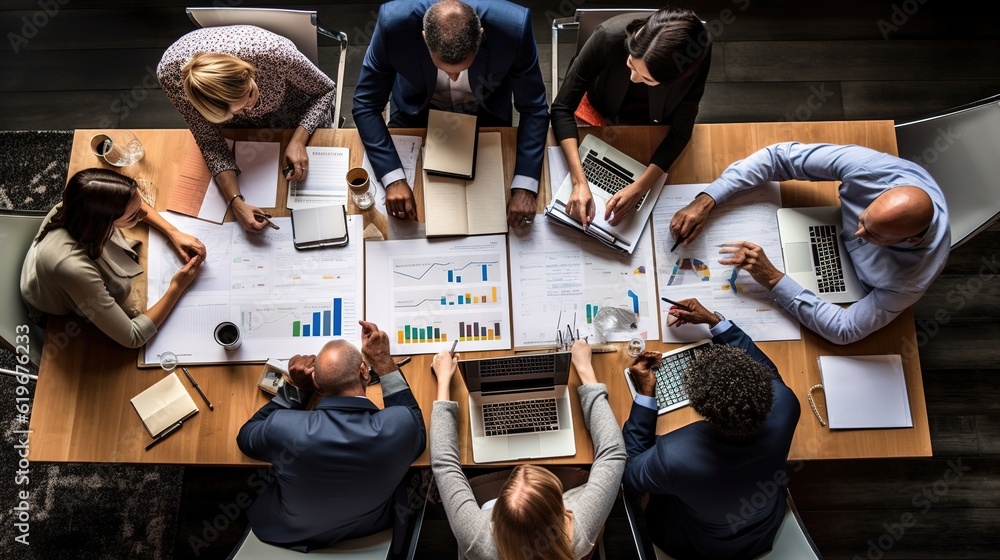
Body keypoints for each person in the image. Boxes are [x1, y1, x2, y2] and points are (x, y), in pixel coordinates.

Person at [669, 142, 951, 344]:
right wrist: (707, 200)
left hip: (844, 283)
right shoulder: (874, 170)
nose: (857, 233)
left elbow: (845, 330)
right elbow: (778, 158)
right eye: (863, 219)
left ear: (911, 239)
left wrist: (773, 278)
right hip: (820, 226)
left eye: (875, 237)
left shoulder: (911, 279)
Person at [623, 298, 800, 559]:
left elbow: (630, 472)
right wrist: (715, 323)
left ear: (701, 407)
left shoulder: (674, 456)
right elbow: (769, 374)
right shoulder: (786, 404)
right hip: (762, 528)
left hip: (697, 546)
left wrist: (646, 395)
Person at [353, 0, 549, 228]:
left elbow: (534, 108)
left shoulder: (514, 27)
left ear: (481, 35)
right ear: (425, 38)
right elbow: (365, 104)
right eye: (445, 70)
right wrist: (393, 178)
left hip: (485, 111)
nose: (454, 79)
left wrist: (525, 185)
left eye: (463, 69)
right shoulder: (392, 24)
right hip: (417, 108)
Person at [236, 320, 426, 551]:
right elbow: (415, 425)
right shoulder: (399, 427)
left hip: (290, 532)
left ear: (316, 382)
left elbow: (246, 437)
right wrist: (383, 361)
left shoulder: (283, 428)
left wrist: (298, 389)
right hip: (369, 529)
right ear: (364, 372)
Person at [429, 340, 626, 559]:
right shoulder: (579, 532)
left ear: (496, 518)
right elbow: (613, 454)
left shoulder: (476, 540)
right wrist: (585, 370)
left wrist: (444, 380)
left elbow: (444, 465)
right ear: (560, 513)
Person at [157, 25, 337, 233]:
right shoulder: (171, 79)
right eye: (236, 112)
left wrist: (298, 140)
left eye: (249, 96)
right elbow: (209, 140)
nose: (249, 109)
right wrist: (235, 201)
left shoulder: (275, 53)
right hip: (242, 135)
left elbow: (326, 89)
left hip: (294, 111)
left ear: (247, 74)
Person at [551, 7, 711, 228]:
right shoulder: (607, 37)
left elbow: (681, 132)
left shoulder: (698, 53)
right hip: (601, 107)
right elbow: (561, 108)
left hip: (656, 122)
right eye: (630, 64)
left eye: (646, 78)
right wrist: (579, 181)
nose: (634, 78)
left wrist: (640, 188)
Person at [20, 168, 204, 349]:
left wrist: (173, 233)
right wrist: (178, 286)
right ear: (104, 223)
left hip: (49, 266)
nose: (143, 215)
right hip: (53, 307)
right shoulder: (73, 268)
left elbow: (131, 201)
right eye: (133, 216)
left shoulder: (82, 205)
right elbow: (133, 337)